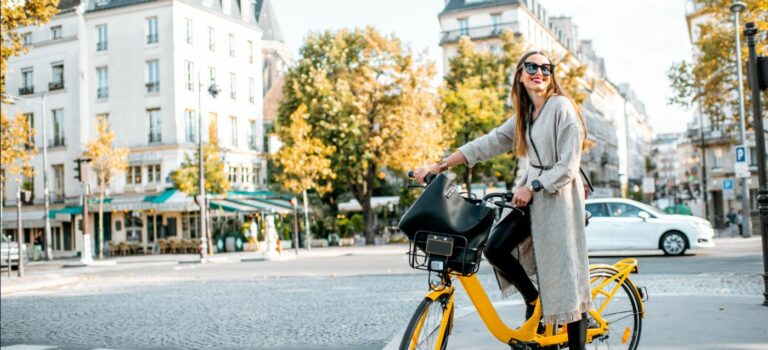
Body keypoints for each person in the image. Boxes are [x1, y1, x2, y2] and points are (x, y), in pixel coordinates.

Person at [414, 51, 590, 349]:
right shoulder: (525, 116)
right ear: (520, 74)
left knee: (565, 280)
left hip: (559, 199)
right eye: (532, 66)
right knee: (495, 247)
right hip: (532, 197)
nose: (540, 72)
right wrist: (440, 165)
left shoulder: (562, 107)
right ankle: (534, 300)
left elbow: (569, 165)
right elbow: (489, 142)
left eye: (546, 68)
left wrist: (532, 186)